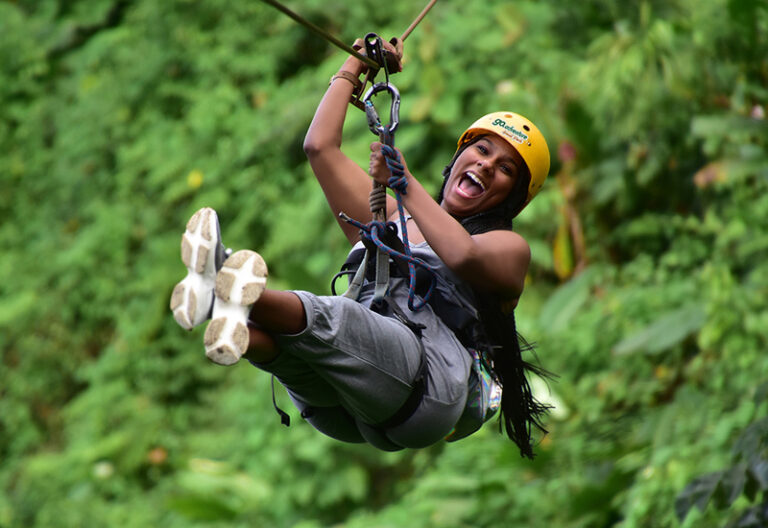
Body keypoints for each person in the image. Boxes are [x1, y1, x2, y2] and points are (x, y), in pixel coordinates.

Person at [170, 38, 551, 457]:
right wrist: (353, 66)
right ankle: (221, 314)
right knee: (287, 349)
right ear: (460, 154)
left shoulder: (508, 248)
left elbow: (461, 255)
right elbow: (319, 148)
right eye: (481, 150)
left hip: (428, 387)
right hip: (345, 402)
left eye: (505, 170)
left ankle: (223, 277)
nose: (485, 165)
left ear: (513, 198)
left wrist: (403, 182)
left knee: (336, 317)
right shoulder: (393, 217)